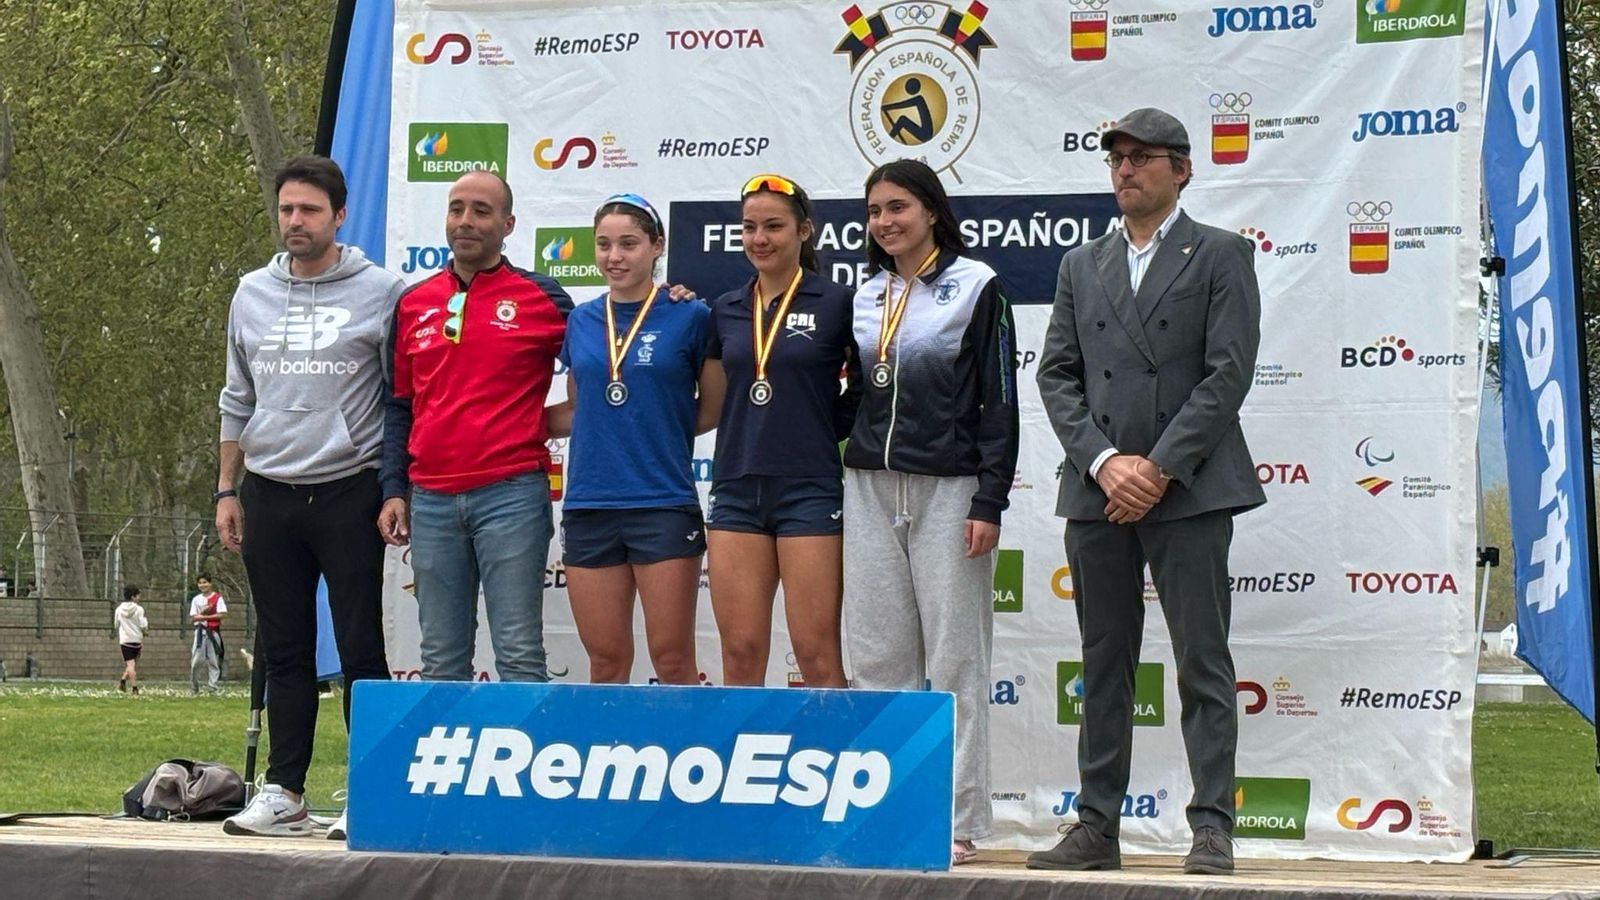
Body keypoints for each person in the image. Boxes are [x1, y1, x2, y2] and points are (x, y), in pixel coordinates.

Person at [1028, 108, 1266, 876]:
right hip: (1098, 492)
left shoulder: (1222, 254)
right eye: (1117, 159)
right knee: (1103, 661)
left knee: (1202, 658)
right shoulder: (1080, 263)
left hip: (1189, 487)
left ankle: (1212, 825)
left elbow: (1227, 374)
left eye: (1143, 157)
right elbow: (1056, 374)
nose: (1126, 170)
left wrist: (1156, 469)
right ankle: (1097, 825)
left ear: (1182, 169)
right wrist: (1104, 464)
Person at [216, 155, 401, 839]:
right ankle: (285, 792)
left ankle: (371, 792)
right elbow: (236, 397)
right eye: (287, 209)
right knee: (284, 649)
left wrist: (393, 485)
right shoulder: (250, 292)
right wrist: (226, 488)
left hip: (350, 489)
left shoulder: (382, 290)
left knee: (359, 649)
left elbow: (399, 398)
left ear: (340, 216)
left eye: (310, 211)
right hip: (269, 493)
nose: (296, 221)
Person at [841, 158, 1019, 865]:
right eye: (875, 210)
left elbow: (999, 399)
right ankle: (888, 808)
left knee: (954, 659)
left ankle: (960, 820)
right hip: (869, 488)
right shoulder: (865, 296)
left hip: (951, 488)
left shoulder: (976, 286)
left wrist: (991, 497)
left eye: (898, 207)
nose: (885, 221)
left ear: (932, 211)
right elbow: (850, 398)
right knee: (877, 658)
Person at [379, 170, 572, 683]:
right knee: (441, 659)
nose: (465, 221)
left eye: (481, 211)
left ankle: (531, 765)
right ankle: (450, 764)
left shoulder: (543, 299)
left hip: (512, 494)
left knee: (518, 652)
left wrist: (669, 301)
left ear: (507, 224)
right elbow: (399, 405)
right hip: (431, 500)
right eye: (456, 208)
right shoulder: (412, 303)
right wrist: (393, 489)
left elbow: (605, 358)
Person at [545, 193, 721, 684]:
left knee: (672, 661)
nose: (614, 256)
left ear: (656, 246)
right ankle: (609, 759)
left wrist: (656, 426)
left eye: (628, 243)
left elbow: (709, 410)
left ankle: (686, 758)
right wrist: (505, 429)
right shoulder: (581, 319)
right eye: (603, 245)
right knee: (605, 662)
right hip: (589, 505)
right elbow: (583, 408)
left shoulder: (690, 315)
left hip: (661, 502)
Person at [703, 174, 861, 688]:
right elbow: (710, 400)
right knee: (741, 654)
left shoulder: (838, 301)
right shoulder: (724, 308)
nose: (759, 239)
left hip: (808, 489)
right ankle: (740, 765)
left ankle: (834, 764)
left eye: (773, 226)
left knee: (815, 656)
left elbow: (866, 391)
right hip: (736, 489)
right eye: (749, 227)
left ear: (805, 231)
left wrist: (818, 426)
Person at [188, 573, 227, 694]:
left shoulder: (217, 598)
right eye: (200, 583)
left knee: (213, 661)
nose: (202, 585)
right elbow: (194, 617)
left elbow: (222, 614)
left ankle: (212, 687)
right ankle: (194, 686)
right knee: (196, 662)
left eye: (205, 582)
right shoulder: (196, 599)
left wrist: (206, 616)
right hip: (200, 632)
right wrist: (202, 615)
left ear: (210, 583)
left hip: (213, 632)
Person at [114, 584, 148, 695]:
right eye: (138, 596)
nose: (139, 598)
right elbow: (143, 625)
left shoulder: (119, 609)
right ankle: (131, 686)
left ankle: (129, 686)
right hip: (137, 640)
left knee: (130, 665)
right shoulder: (139, 609)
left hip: (125, 640)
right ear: (133, 597)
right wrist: (145, 632)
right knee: (132, 664)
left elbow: (116, 624)